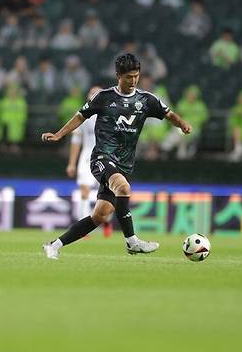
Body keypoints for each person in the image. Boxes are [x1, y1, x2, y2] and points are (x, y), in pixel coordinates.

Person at [41, 53, 192, 259]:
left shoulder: (146, 100)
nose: (133, 80)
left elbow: (168, 114)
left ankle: (54, 245)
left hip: (124, 164)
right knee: (123, 188)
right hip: (102, 158)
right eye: (129, 76)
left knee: (100, 216)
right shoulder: (104, 97)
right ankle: (132, 242)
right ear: (118, 75)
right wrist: (58, 135)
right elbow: (79, 116)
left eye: (136, 76)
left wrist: (182, 124)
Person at [66, 86, 113, 237]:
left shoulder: (110, 115)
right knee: (84, 190)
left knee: (108, 194)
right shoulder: (83, 115)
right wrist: (72, 163)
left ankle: (106, 221)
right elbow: (76, 141)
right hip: (87, 157)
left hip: (106, 157)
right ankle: (84, 229)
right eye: (92, 93)